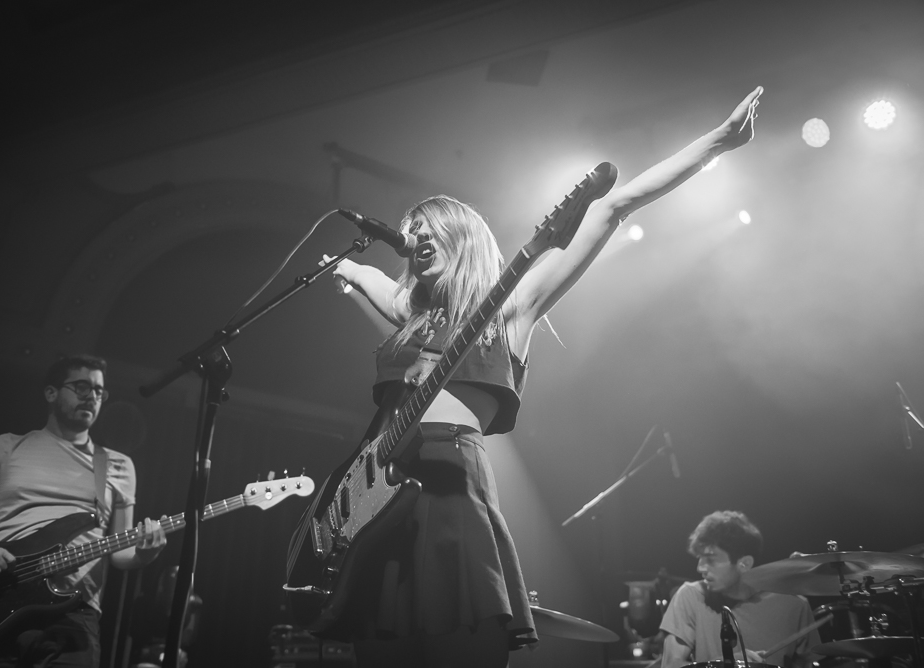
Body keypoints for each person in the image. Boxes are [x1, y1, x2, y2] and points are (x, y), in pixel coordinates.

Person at [324, 87, 763, 668]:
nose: (416, 236)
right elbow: (365, 276)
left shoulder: (510, 310)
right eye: (410, 230)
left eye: (429, 227)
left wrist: (719, 140)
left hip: (451, 486)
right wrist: (345, 266)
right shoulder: (411, 317)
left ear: (461, 237)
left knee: (457, 641)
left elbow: (613, 206)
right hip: (379, 492)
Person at [0, 354, 167, 667]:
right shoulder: (7, 447)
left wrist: (144, 555)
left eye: (98, 391)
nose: (92, 396)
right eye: (82, 387)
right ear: (51, 393)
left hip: (72, 615)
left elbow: (120, 549)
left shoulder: (117, 465)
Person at [660, 510, 820, 668]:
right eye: (700, 558)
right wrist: (724, 665)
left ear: (745, 563)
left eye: (710, 560)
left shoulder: (794, 606)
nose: (700, 568)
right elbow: (670, 666)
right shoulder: (691, 596)